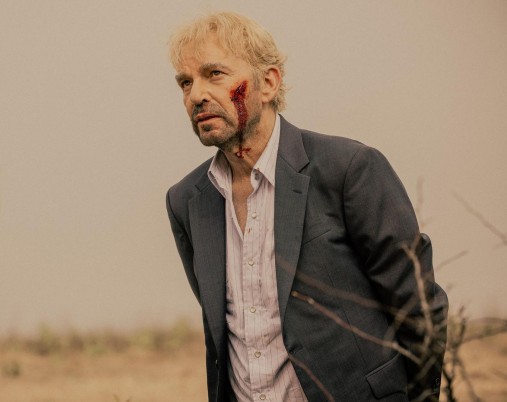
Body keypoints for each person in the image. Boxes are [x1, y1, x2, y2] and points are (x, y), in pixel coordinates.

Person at [165, 12, 448, 402]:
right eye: (185, 82)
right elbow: (223, 332)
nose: (196, 95)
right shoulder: (186, 200)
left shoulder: (348, 169)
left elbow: (417, 309)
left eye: (214, 74)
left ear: (268, 82)